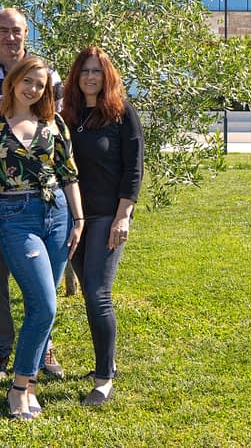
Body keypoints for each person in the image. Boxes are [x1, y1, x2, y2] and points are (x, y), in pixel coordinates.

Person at [0, 55, 85, 420]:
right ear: (14, 81)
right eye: (28, 81)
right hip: (15, 215)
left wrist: (78, 218)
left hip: (57, 213)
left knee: (44, 305)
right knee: (45, 305)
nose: (33, 89)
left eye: (40, 84)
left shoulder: (53, 123)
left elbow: (68, 174)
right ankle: (19, 387)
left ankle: (30, 384)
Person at [0, 7, 66, 380]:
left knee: (43, 278)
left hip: (42, 193)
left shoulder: (50, 76)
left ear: (27, 32)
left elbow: (57, 132)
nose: (9, 37)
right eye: (2, 30)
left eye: (16, 30)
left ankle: (42, 347)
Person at [60, 46, 144, 407]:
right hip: (74, 217)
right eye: (84, 72)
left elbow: (134, 168)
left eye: (96, 71)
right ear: (76, 78)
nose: (90, 77)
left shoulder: (122, 114)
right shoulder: (67, 115)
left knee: (97, 292)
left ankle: (104, 378)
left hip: (108, 217)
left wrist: (123, 215)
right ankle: (106, 363)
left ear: (106, 76)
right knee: (92, 292)